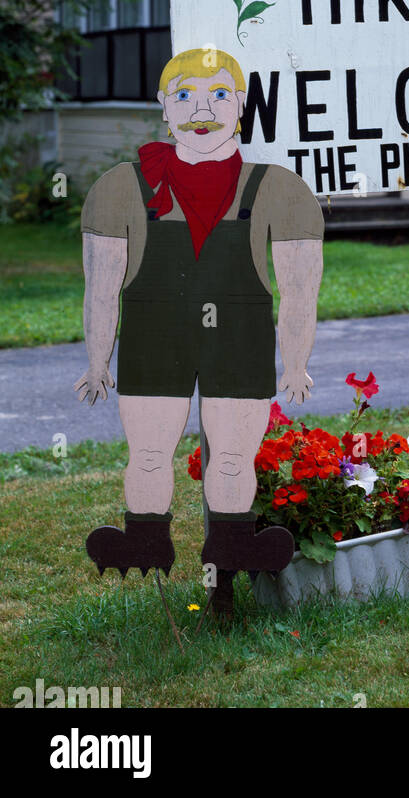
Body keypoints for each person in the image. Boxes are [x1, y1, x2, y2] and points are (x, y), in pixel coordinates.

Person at [77, 46, 324, 587]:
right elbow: (102, 287)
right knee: (146, 450)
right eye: (184, 96)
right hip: (152, 334)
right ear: (164, 107)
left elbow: (298, 289)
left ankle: (232, 543)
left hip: (239, 339)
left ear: (240, 105)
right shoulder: (121, 189)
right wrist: (98, 362)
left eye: (218, 95)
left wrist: (295, 364)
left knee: (234, 453)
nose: (201, 110)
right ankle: (145, 537)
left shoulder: (279, 190)